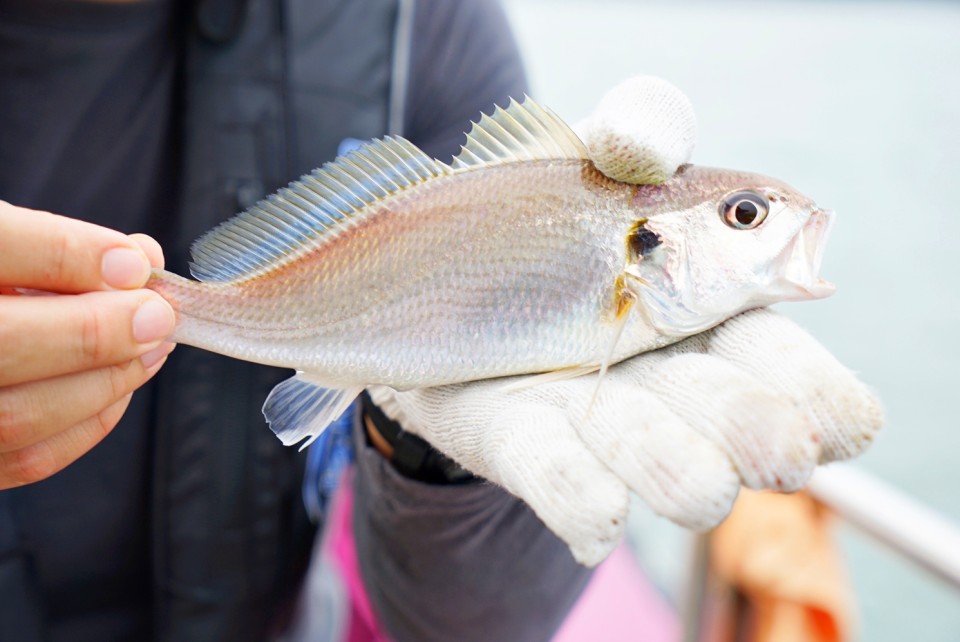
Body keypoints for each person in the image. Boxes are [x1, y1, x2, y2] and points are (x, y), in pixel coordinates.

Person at [0, 1, 882, 641]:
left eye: (744, 215)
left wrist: (429, 454)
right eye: (745, 217)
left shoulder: (430, 28)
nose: (768, 227)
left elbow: (462, 627)